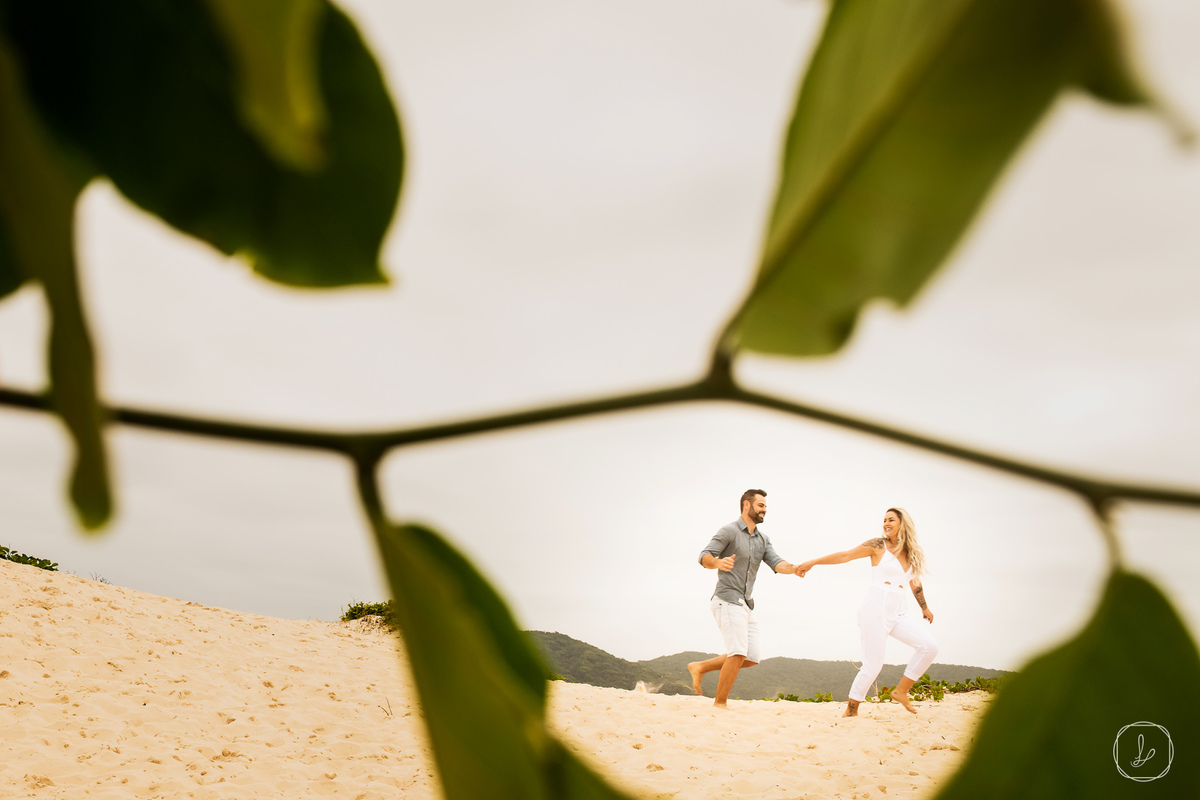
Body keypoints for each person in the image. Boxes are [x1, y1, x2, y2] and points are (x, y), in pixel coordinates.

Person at [795, 507, 937, 717]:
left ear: (903, 524)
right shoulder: (878, 545)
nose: (886, 523)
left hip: (899, 610)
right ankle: (851, 711)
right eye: (884, 520)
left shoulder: (911, 552)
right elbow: (845, 556)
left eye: (891, 520)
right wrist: (813, 562)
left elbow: (915, 582)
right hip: (875, 608)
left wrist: (924, 607)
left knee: (929, 647)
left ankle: (901, 691)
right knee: (873, 666)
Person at [688, 489, 802, 708]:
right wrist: (718, 563)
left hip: (745, 603)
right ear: (747, 505)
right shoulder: (729, 531)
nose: (765, 509)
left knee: (750, 656)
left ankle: (700, 667)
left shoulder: (763, 539)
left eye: (766, 506)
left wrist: (795, 568)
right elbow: (704, 556)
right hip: (727, 598)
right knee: (738, 652)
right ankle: (720, 704)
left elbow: (777, 563)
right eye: (761, 505)